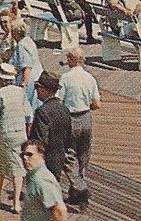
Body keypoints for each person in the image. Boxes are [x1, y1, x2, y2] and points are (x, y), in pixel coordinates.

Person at [56, 47, 100, 209]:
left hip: (71, 119)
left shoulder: (66, 78)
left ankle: (81, 190)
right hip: (86, 118)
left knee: (69, 156)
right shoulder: (90, 78)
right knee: (83, 156)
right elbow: (97, 103)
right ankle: (75, 191)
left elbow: (59, 101)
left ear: (71, 59)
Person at [0, 62, 29, 212]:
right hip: (20, 133)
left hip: (4, 134)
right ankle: (16, 202)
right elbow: (27, 114)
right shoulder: (20, 92)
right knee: (18, 168)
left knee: (0, 164)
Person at [28, 72, 71, 188]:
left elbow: (40, 139)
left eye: (37, 87)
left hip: (44, 159)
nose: (35, 90)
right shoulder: (64, 109)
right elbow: (69, 135)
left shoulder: (42, 111)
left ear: (44, 90)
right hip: (58, 156)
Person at [20, 138, 69, 221]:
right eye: (23, 155)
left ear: (41, 154)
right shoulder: (34, 174)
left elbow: (59, 210)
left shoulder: (41, 180)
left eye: (29, 154)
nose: (25, 158)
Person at [8, 20, 42, 113]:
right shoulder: (29, 40)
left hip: (29, 79)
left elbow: (27, 67)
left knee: (27, 107)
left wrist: (23, 84)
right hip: (37, 75)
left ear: (15, 32)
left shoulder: (22, 45)